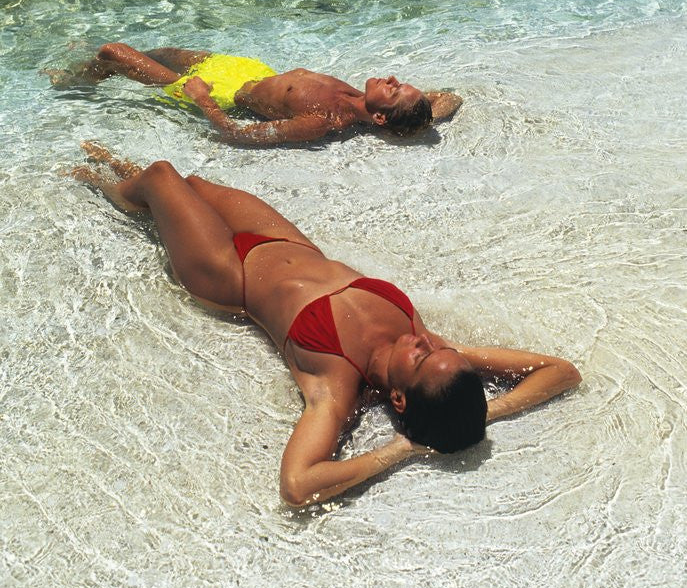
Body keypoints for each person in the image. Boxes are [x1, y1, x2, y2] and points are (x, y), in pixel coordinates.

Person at [72, 143, 582, 506]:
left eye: (421, 357)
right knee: (194, 188)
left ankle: (104, 188)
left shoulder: (336, 385)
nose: (426, 341)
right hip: (288, 243)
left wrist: (402, 449)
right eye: (436, 347)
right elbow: (561, 371)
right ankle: (125, 181)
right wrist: (486, 413)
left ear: (398, 398)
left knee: (162, 177)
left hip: (229, 272)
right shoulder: (439, 358)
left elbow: (297, 486)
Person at [50, 43, 463, 145]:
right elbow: (450, 97)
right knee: (160, 52)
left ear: (380, 116)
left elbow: (238, 134)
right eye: (398, 82)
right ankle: (85, 77)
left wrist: (202, 99)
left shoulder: (321, 121)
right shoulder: (361, 100)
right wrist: (425, 119)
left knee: (113, 53)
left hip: (220, 92)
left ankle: (72, 85)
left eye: (395, 89)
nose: (391, 78)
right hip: (248, 70)